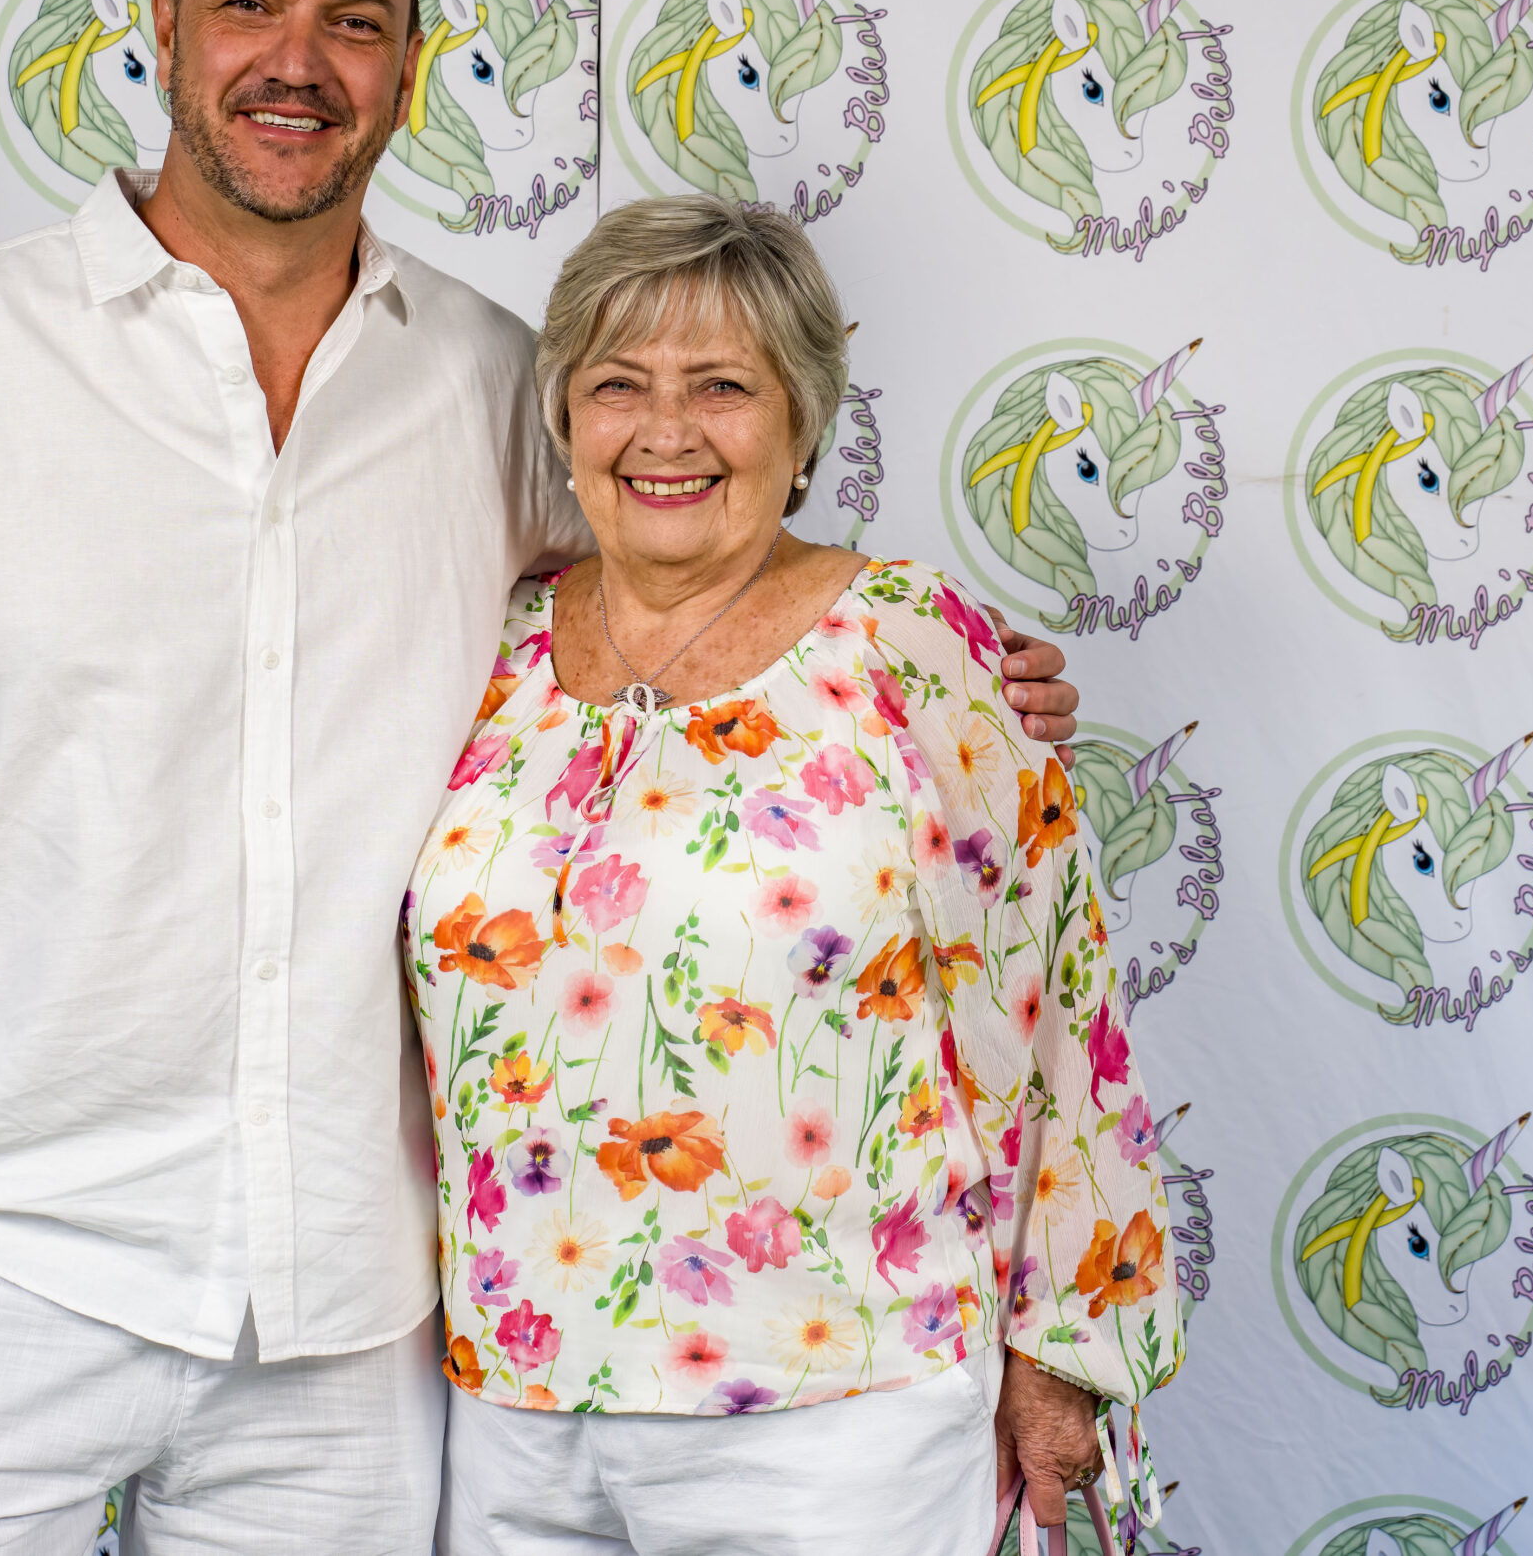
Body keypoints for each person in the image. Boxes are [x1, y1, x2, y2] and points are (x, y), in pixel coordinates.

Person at [0, 0, 1083, 1556]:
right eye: (249, 5)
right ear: (162, 26)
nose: (298, 61)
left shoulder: (489, 377)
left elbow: (687, 569)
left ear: (410, 72)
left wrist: (939, 671)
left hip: (347, 1307)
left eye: (355, 23)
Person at [405, 195, 1179, 1555]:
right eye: (619, 385)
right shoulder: (486, 647)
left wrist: (1066, 1347)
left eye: (722, 386)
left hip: (845, 1416)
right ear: (564, 418)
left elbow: (1062, 1002)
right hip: (516, 1399)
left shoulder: (913, 648)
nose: (667, 431)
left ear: (803, 423)